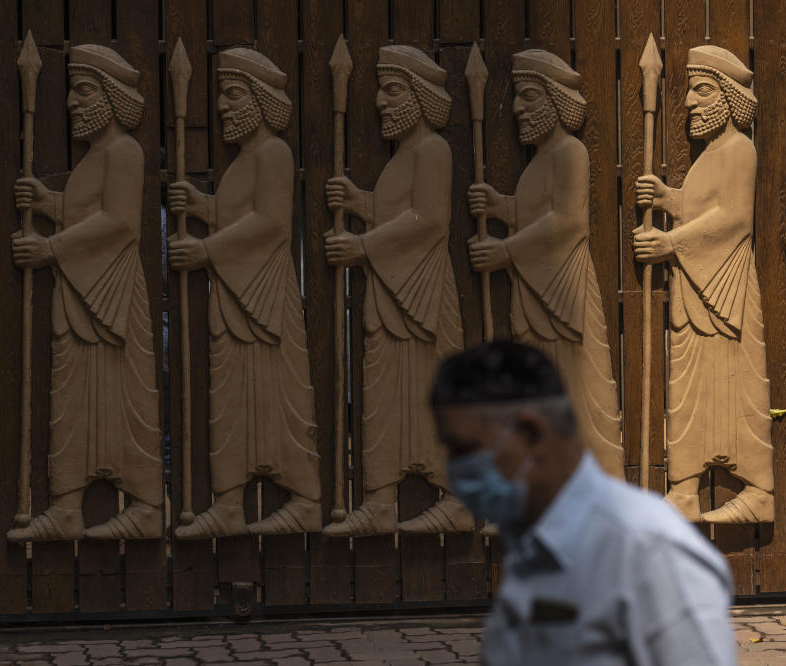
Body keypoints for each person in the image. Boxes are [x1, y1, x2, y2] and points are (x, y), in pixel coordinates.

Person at [431, 342, 736, 666]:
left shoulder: (648, 550)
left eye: (465, 450)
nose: (455, 470)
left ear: (532, 434)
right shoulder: (530, 544)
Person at [7, 44, 163, 541]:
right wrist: (51, 202)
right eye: (72, 90)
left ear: (114, 98)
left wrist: (50, 248)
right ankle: (67, 505)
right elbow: (87, 211)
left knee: (125, 399)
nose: (72, 102)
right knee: (71, 397)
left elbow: (118, 223)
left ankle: (144, 505)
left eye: (85, 90)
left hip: (111, 294)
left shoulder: (125, 150)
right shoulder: (97, 156)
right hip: (79, 292)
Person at [168, 47, 321, 537]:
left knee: (279, 396)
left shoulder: (275, 152)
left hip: (264, 296)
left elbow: (270, 224)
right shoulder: (244, 161)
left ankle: (305, 499)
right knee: (230, 396)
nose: (222, 107)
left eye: (233, 95)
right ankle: (229, 503)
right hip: (234, 293)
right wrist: (203, 206)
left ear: (260, 100)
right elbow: (240, 215)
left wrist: (206, 249)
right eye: (221, 97)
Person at [322, 45, 471, 536]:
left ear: (421, 96)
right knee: (384, 394)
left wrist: (362, 245)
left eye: (392, 90)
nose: (380, 102)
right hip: (391, 294)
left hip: (422, 294)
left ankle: (456, 499)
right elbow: (396, 212)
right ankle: (381, 500)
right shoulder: (405, 155)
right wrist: (362, 202)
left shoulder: (433, 150)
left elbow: (428, 221)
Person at [468, 49, 623, 476]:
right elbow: (537, 212)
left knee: (573, 389)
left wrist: (507, 250)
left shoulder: (571, 152)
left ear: (557, 101)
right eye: (518, 96)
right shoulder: (540, 161)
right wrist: (503, 206)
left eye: (529, 96)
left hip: (562, 295)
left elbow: (568, 222)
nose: (518, 107)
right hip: (536, 292)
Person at [635, 45, 771, 524]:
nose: (690, 101)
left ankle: (757, 492)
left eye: (702, 90)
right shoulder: (712, 154)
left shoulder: (740, 150)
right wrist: (670, 198)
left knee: (737, 390)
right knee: (689, 387)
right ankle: (685, 489)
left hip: (725, 290)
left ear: (729, 98)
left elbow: (734, 220)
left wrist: (669, 243)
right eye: (690, 90)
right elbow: (704, 208)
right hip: (696, 290)